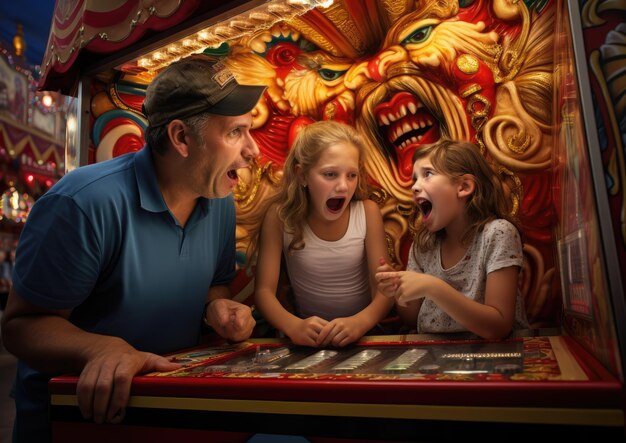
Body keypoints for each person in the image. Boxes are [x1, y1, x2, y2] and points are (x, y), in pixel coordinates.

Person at [1, 53, 265, 442]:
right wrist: (101, 348)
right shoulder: (85, 203)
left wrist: (216, 306)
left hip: (172, 413)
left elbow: (217, 282)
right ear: (180, 138)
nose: (253, 150)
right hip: (78, 421)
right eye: (235, 132)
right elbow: (20, 328)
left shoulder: (220, 199)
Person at [254, 120, 393, 348]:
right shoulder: (279, 217)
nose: (343, 186)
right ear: (302, 176)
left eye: (351, 175)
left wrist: (360, 322)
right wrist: (293, 326)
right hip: (307, 339)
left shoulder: (367, 212)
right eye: (330, 174)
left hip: (363, 336)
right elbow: (263, 292)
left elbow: (384, 291)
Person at [376, 139, 529, 339]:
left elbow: (498, 327)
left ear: (463, 187)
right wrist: (398, 290)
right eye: (414, 179)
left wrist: (432, 287)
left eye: (427, 174)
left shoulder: (498, 234)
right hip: (437, 357)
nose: (414, 187)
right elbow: (411, 319)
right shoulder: (423, 245)